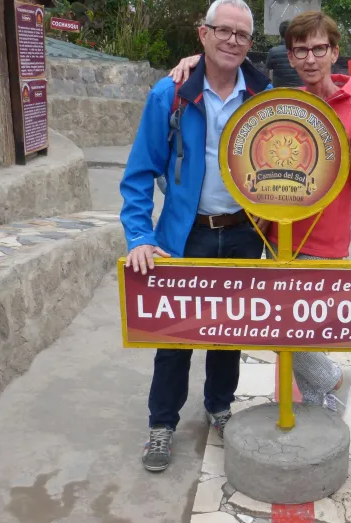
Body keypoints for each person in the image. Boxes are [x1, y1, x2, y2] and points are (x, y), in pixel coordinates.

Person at [168, 11, 351, 416]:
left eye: (319, 49)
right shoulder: (284, 103)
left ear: (334, 52)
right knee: (283, 330)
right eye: (301, 51)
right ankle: (318, 403)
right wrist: (194, 60)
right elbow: (229, 71)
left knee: (296, 337)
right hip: (273, 238)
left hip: (323, 245)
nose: (310, 59)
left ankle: (333, 380)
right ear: (291, 57)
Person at [120, 0, 272, 473]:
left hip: (244, 234)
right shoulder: (170, 96)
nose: (232, 40)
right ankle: (162, 424)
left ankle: (219, 407)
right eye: (222, 31)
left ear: (250, 44)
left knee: (229, 334)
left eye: (241, 35)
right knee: (174, 339)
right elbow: (139, 173)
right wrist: (141, 237)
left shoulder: (264, 97)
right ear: (202, 34)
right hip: (185, 236)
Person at [265, 20, 303, 88]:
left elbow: (266, 70)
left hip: (280, 91)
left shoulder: (273, 51)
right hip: (299, 91)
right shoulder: (300, 50)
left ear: (280, 33)